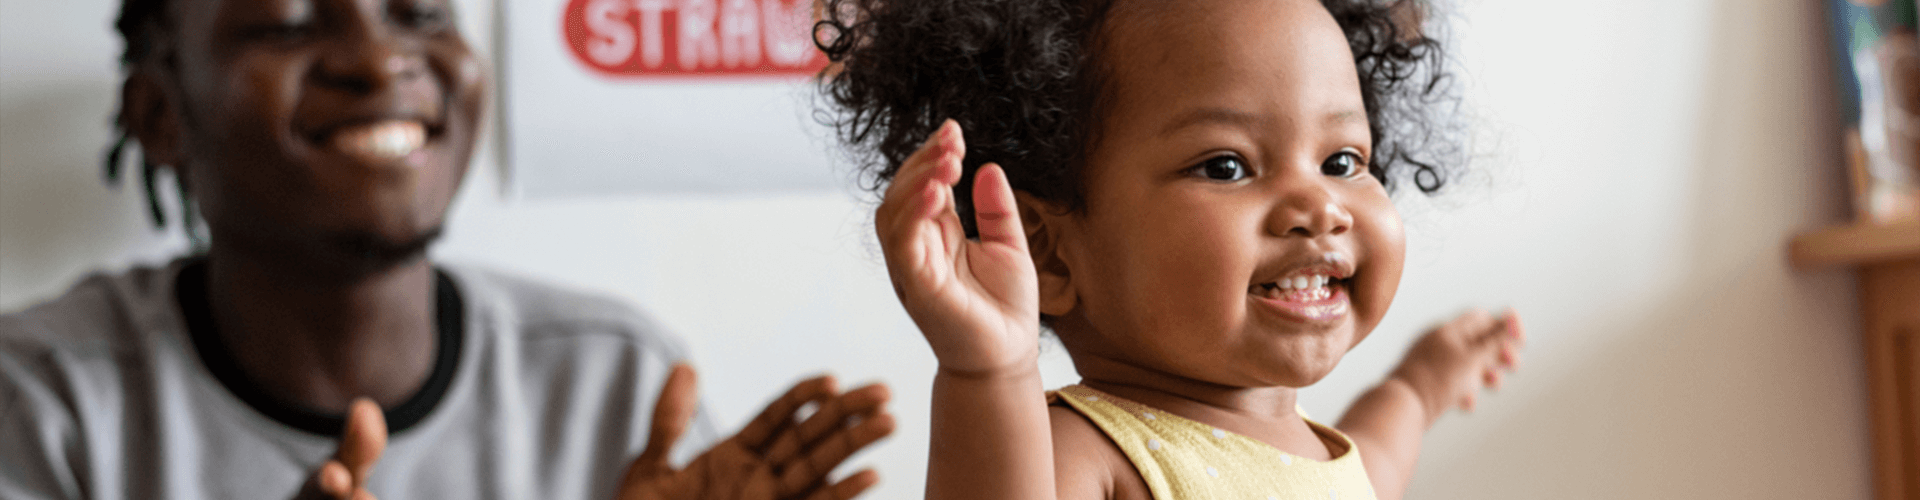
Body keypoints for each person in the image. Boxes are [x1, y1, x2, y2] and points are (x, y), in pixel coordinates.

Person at [0, 0, 894, 498]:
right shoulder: (44, 397)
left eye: (421, 12)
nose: (380, 60)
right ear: (160, 114)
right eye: (286, 23)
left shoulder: (612, 382)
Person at [817, 0, 1522, 498]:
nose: (1319, 207)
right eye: (1226, 166)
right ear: (1051, 254)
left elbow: (1376, 461)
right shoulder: (1091, 455)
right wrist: (988, 374)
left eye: (1341, 160)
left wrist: (1421, 386)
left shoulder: (1318, 452)